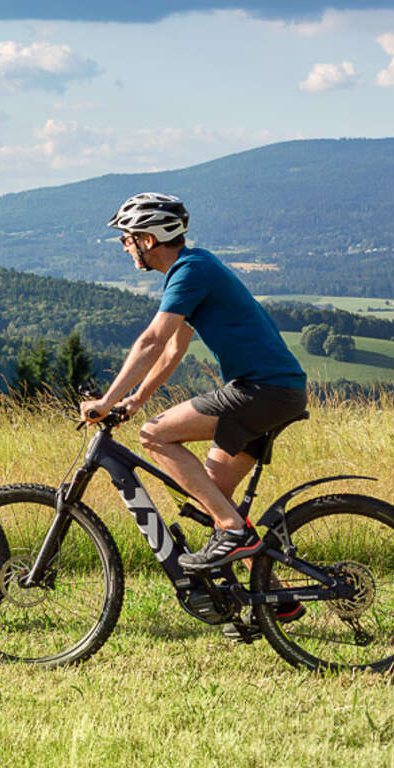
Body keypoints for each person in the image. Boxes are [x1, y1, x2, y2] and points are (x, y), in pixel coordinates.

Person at [79, 193, 308, 575]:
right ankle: (277, 601)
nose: (125, 246)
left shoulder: (190, 271)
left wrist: (106, 400)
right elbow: (172, 350)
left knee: (154, 435)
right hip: (275, 391)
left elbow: (152, 341)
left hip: (260, 389)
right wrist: (135, 399)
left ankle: (235, 531)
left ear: (148, 240)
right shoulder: (194, 268)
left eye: (127, 237)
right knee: (210, 497)